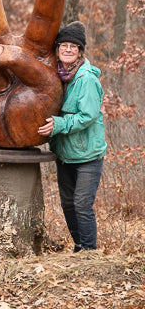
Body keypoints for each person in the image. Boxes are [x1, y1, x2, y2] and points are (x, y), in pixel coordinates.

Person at [38, 21, 107, 252]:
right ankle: (79, 246)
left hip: (88, 154)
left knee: (81, 204)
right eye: (63, 45)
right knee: (68, 203)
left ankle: (89, 252)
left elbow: (87, 116)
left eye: (73, 46)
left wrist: (58, 124)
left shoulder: (86, 79)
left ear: (80, 51)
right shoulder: (57, 76)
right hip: (65, 153)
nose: (68, 50)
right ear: (57, 49)